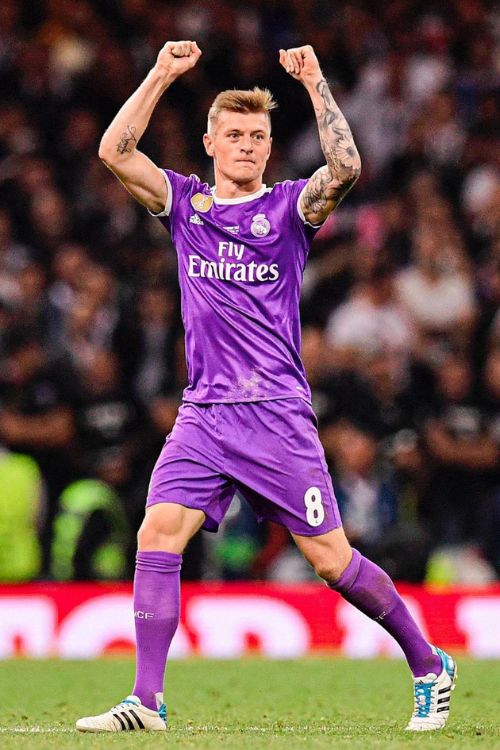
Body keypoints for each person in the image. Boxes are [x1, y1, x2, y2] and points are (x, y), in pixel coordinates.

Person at [76, 40, 456, 733]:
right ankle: (148, 700)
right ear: (211, 142)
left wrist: (314, 83)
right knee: (158, 531)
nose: (247, 145)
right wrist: (161, 73)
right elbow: (114, 152)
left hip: (276, 413)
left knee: (332, 562)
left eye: (257, 136)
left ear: (269, 145)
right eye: (235, 134)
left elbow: (346, 166)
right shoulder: (186, 205)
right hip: (204, 413)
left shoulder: (287, 211)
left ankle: (429, 663)